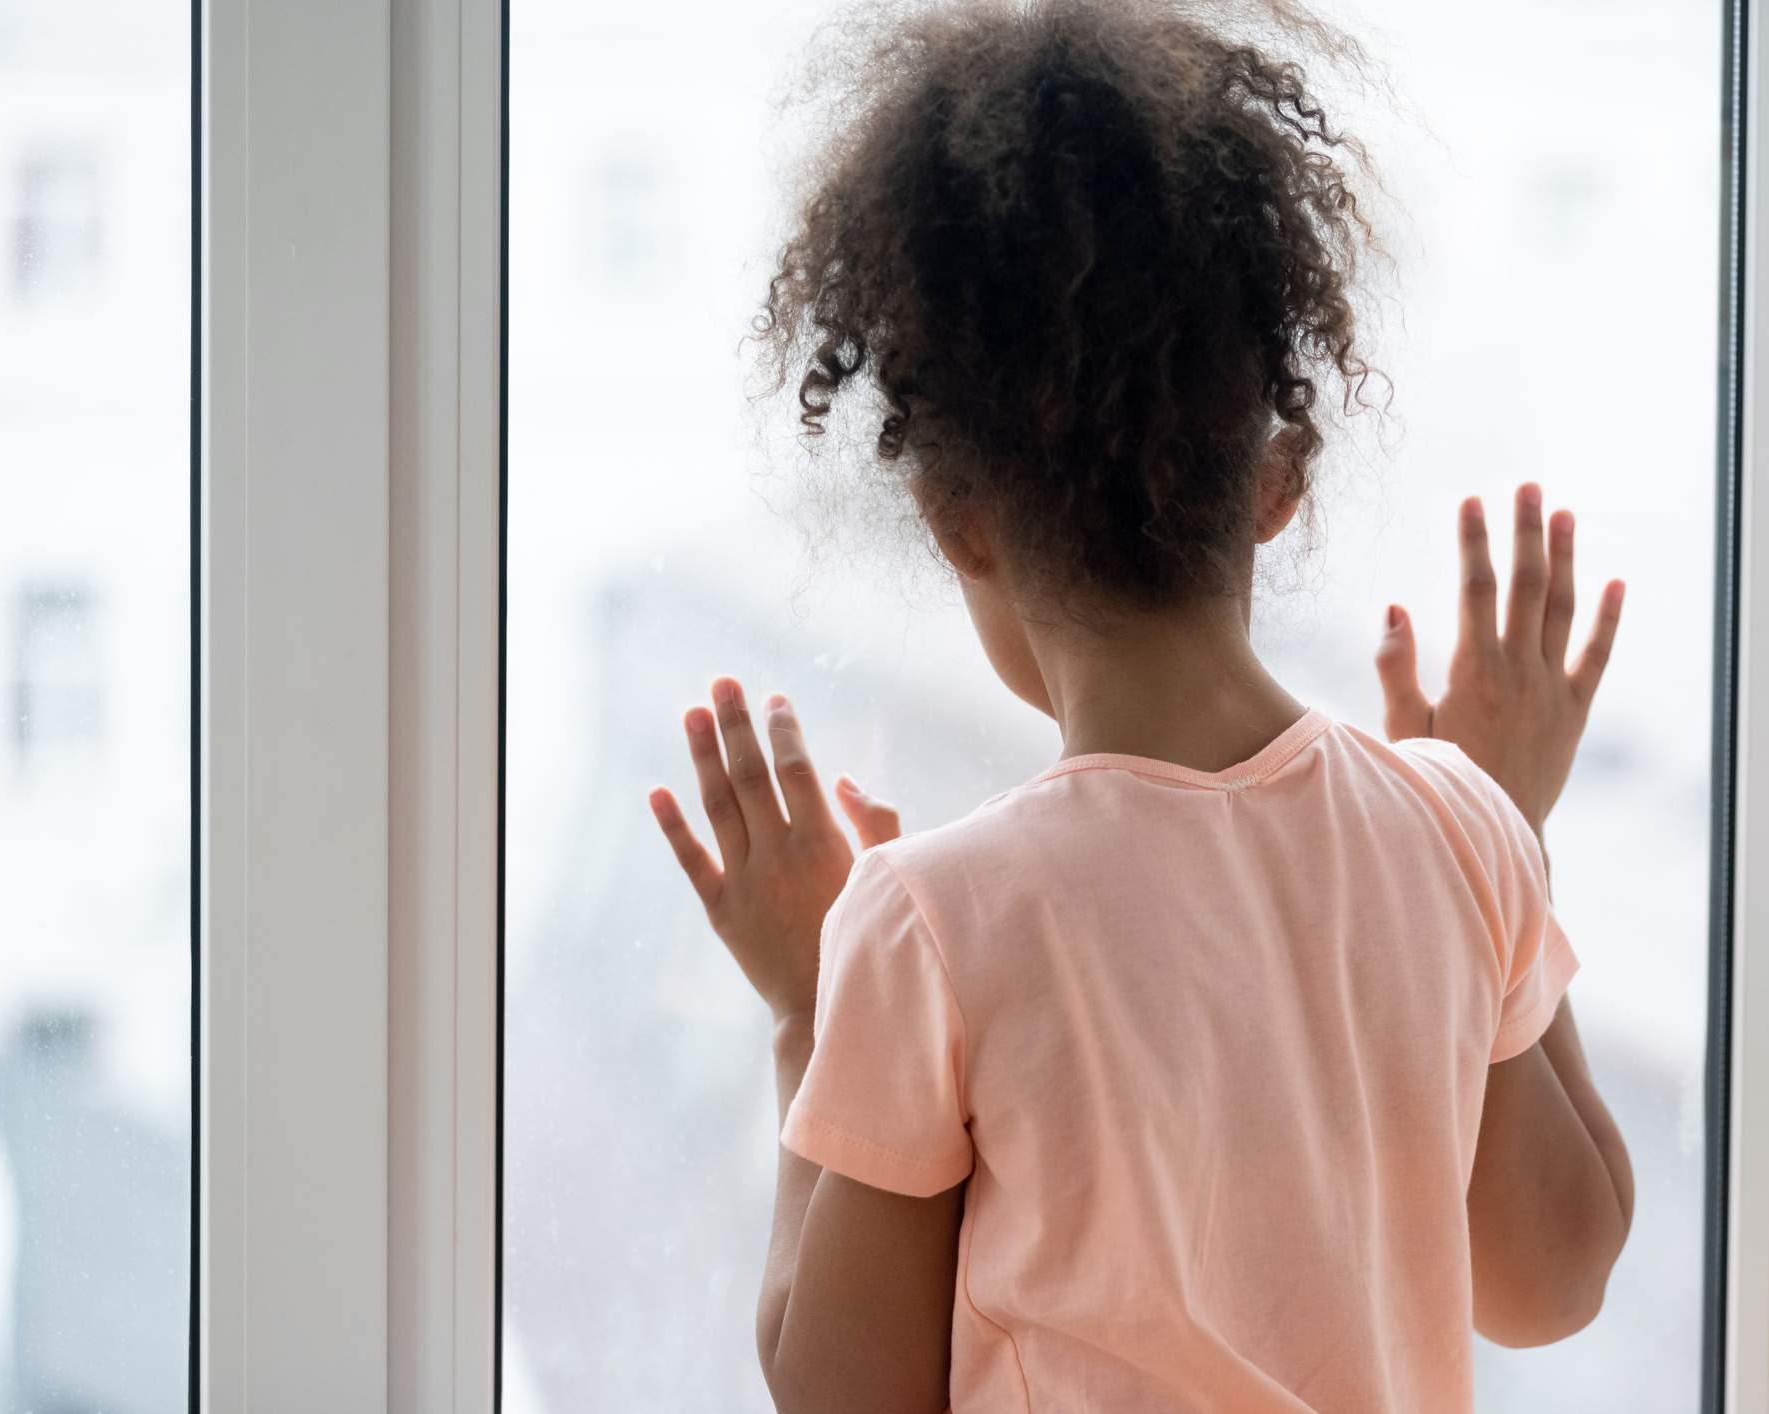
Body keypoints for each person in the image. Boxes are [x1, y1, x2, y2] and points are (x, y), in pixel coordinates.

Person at [645, 1, 1633, 1408]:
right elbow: (1554, 1275)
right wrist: (1498, 838)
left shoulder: (928, 927)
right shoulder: (1453, 829)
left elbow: (840, 1396)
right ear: (1277, 475)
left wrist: (817, 1012)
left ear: (955, 518)